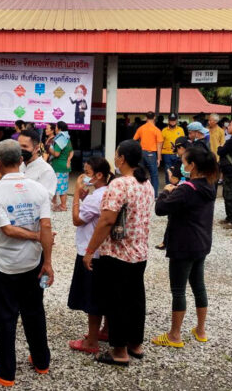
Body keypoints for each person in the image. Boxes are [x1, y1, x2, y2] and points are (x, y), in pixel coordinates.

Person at [0, 139, 53, 387]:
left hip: (6, 264)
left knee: (5, 316)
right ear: (22, 160)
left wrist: (35, 237)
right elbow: (46, 226)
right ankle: (41, 361)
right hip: (33, 261)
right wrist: (48, 262)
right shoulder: (38, 189)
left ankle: (6, 373)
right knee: (35, 311)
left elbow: (7, 229)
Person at [83, 139, 154, 366]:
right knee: (135, 299)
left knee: (117, 302)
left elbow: (106, 220)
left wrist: (90, 250)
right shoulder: (147, 184)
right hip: (139, 251)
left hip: (118, 252)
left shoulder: (120, 184)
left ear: (121, 158)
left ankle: (119, 351)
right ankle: (135, 344)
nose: (114, 157)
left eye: (116, 154)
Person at [153, 147, 218, 348]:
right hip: (201, 243)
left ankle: (174, 335)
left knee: (178, 290)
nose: (181, 165)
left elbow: (160, 209)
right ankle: (200, 330)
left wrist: (165, 192)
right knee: (199, 285)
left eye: (183, 161)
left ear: (192, 165)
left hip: (183, 244)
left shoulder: (186, 189)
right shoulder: (209, 185)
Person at [67, 157, 112, 354]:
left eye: (87, 173)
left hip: (90, 251)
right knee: (105, 294)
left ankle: (91, 341)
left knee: (92, 297)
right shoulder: (109, 193)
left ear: (99, 175)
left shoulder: (96, 197)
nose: (83, 177)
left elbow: (77, 220)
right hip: (106, 252)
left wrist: (76, 194)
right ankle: (106, 330)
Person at [156, 136, 190, 250]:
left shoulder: (180, 161)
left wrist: (170, 174)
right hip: (191, 192)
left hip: (178, 191)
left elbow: (174, 180)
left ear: (181, 148)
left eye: (177, 149)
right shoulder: (195, 158)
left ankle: (166, 242)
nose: (176, 152)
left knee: (172, 218)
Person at [18, 129, 57, 199]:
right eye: (19, 146)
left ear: (36, 148)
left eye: (25, 146)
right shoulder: (18, 165)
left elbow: (45, 199)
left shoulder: (46, 171)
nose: (21, 149)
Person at [133, 111, 163, 196]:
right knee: (154, 175)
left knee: (140, 174)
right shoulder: (156, 130)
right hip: (151, 154)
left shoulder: (141, 128)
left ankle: (139, 194)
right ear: (154, 118)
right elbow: (159, 145)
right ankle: (154, 195)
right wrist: (159, 158)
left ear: (146, 118)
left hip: (141, 153)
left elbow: (134, 140)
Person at [48, 121, 73, 211]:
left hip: (58, 166)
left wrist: (49, 149)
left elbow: (57, 154)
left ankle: (61, 206)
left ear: (59, 128)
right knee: (63, 186)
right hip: (65, 166)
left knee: (56, 186)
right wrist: (69, 160)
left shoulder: (60, 139)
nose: (55, 128)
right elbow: (71, 151)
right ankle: (62, 205)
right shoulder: (67, 138)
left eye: (56, 127)